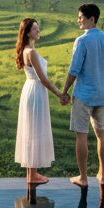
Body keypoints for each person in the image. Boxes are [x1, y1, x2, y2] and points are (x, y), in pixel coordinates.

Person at [60, 3, 104, 189]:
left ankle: (83, 177)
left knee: (81, 136)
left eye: (81, 17)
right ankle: (102, 174)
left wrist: (65, 90)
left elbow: (74, 69)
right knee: (102, 134)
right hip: (101, 94)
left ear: (92, 18)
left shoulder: (82, 41)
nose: (78, 20)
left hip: (83, 95)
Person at [14, 17, 61, 185]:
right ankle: (32, 174)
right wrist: (60, 94)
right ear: (28, 33)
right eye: (35, 29)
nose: (38, 31)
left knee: (31, 129)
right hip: (35, 91)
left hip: (30, 90)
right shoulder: (31, 52)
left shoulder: (27, 50)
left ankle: (31, 174)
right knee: (34, 129)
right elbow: (44, 80)